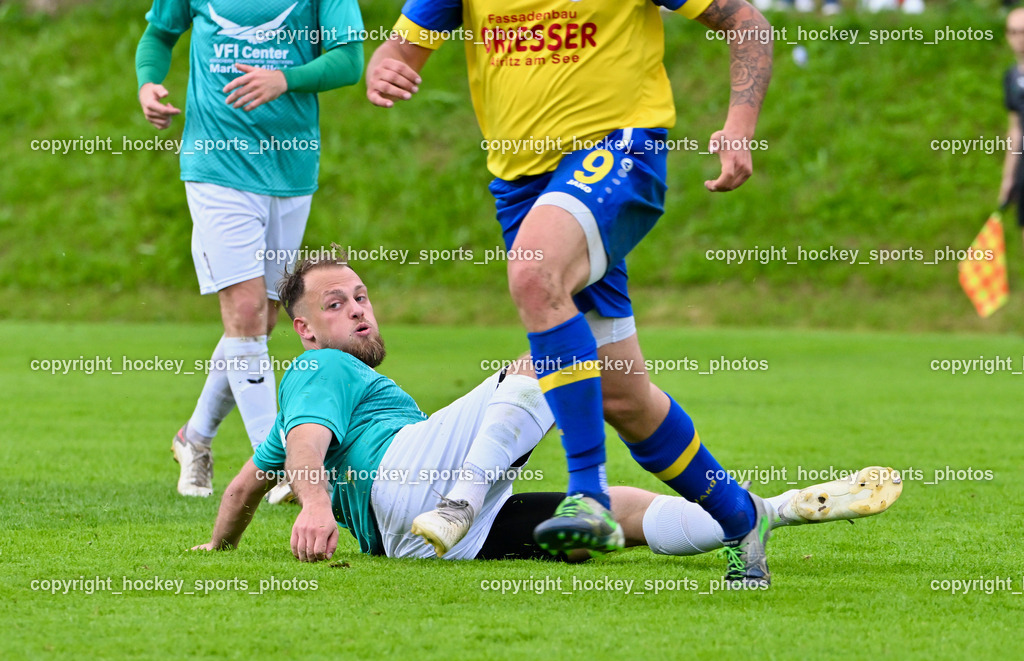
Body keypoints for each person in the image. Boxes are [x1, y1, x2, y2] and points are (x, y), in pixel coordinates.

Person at [365, 0, 784, 586]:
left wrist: (740, 124)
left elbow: (746, 21)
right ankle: (743, 520)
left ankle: (589, 495)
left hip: (619, 153)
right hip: (521, 186)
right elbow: (402, 49)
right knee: (624, 399)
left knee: (534, 275)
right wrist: (384, 65)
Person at [191, 253, 904, 566]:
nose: (359, 311)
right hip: (408, 488)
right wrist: (316, 509)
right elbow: (309, 447)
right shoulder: (320, 365)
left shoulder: (328, 387)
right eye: (335, 304)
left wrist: (217, 548)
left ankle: (770, 510)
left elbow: (245, 485)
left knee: (617, 514)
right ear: (306, 329)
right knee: (552, 355)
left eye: (362, 296)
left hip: (407, 539)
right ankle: (464, 498)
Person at [134, 0, 365, 500]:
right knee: (243, 310)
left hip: (290, 169)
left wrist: (285, 79)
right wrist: (148, 84)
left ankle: (193, 438)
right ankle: (279, 461)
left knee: (261, 321)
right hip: (215, 167)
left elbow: (350, 61)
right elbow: (157, 36)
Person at [1001, 7, 1024, 229]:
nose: (1019, 39)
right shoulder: (1011, 77)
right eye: (1014, 32)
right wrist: (1009, 177)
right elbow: (1015, 129)